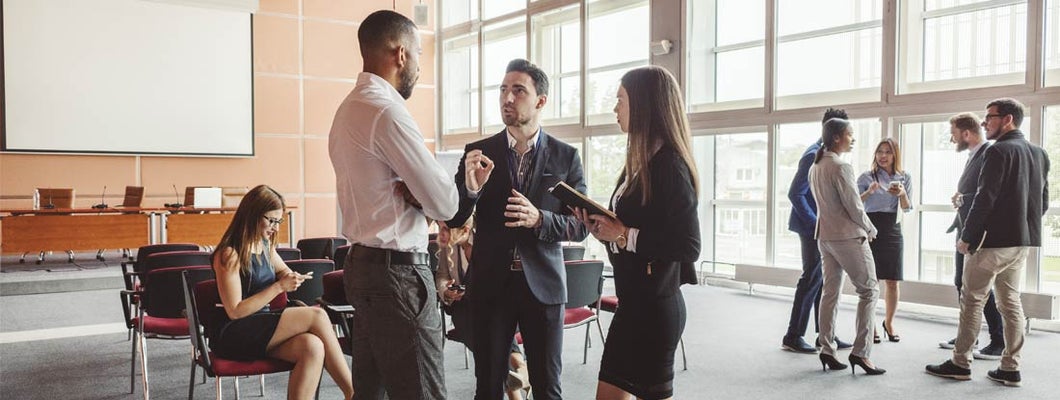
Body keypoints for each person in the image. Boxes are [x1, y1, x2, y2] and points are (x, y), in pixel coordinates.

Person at [328, 10, 459, 400]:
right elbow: (445, 202)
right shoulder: (387, 111)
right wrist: (440, 191)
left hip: (362, 267)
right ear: (401, 54)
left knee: (372, 391)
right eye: (418, 53)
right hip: (398, 276)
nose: (420, 65)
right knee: (422, 392)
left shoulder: (347, 109)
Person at [447, 58, 588, 400]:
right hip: (491, 285)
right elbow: (453, 218)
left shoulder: (566, 157)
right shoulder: (477, 153)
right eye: (503, 90)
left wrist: (540, 219)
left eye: (518, 90)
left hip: (544, 286)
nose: (507, 98)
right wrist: (470, 191)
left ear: (540, 101)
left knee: (547, 389)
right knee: (488, 388)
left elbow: (582, 226)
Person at [575, 65, 700, 400]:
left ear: (645, 105)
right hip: (633, 305)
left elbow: (688, 246)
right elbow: (632, 230)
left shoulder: (670, 165)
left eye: (620, 100)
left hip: (655, 310)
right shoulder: (640, 162)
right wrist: (604, 230)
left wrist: (623, 234)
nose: (615, 109)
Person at [927, 98, 1050, 387]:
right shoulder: (1039, 153)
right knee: (1010, 303)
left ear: (1007, 119)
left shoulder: (997, 152)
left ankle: (959, 363)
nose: (984, 123)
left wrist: (967, 237)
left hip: (990, 243)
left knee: (971, 302)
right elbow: (1042, 202)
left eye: (989, 118)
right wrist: (1021, 224)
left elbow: (985, 199)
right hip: (1022, 243)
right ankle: (1010, 367)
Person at [210, 185, 354, 400]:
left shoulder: (264, 245)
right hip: (236, 332)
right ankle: (353, 393)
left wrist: (292, 277)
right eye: (271, 220)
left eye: (279, 221)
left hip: (263, 327)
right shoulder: (230, 253)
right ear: (252, 215)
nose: (275, 228)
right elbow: (235, 311)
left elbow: (284, 272)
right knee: (317, 315)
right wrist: (279, 287)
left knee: (312, 346)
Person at [809, 118, 885, 375]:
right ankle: (861, 353)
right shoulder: (841, 166)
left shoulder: (816, 165)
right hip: (847, 237)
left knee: (830, 293)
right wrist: (870, 228)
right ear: (838, 137)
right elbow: (854, 206)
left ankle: (827, 348)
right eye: (850, 135)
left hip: (825, 237)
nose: (854, 139)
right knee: (869, 291)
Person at [782, 108, 855, 353]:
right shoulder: (812, 155)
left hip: (824, 228)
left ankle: (825, 335)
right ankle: (793, 336)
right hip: (811, 227)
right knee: (811, 279)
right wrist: (816, 224)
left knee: (823, 282)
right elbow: (795, 194)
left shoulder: (829, 155)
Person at [433, 219, 530, 400]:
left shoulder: (485, 240)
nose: (441, 233)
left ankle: (516, 378)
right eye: (440, 228)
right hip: (463, 309)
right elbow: (441, 276)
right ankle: (520, 372)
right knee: (483, 333)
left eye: (445, 228)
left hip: (493, 304)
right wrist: (446, 290)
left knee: (493, 330)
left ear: (465, 229)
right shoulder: (448, 248)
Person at [939, 112, 1005, 359]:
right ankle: (969, 334)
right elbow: (974, 191)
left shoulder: (989, 153)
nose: (952, 140)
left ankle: (998, 339)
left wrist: (970, 229)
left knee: (980, 288)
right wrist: (960, 197)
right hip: (964, 226)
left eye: (954, 134)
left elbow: (987, 196)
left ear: (966, 133)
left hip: (979, 233)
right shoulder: (973, 155)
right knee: (961, 283)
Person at [857, 138, 912, 344]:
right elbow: (853, 202)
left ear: (894, 155)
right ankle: (870, 325)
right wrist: (868, 192)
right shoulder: (866, 176)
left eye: (887, 152)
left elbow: (907, 208)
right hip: (871, 228)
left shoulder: (904, 177)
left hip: (893, 228)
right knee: (873, 281)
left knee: (892, 280)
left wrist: (902, 194)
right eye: (880, 151)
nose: (883, 156)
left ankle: (889, 323)